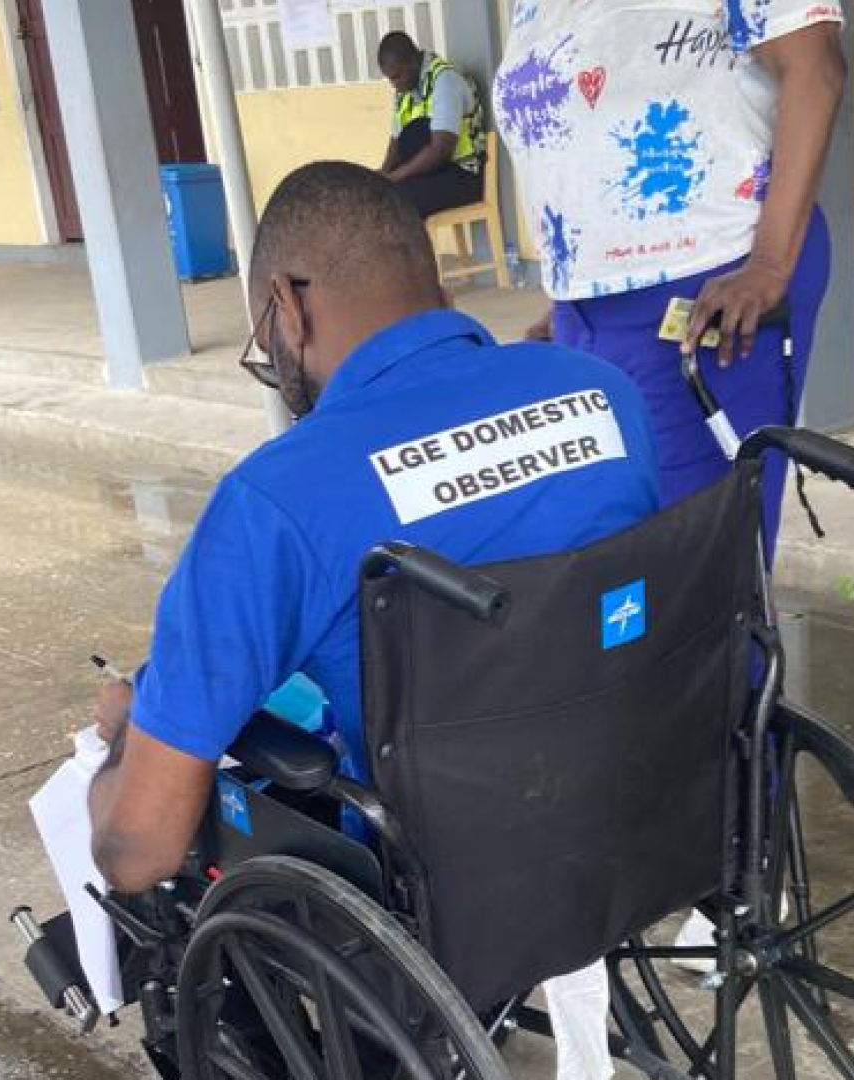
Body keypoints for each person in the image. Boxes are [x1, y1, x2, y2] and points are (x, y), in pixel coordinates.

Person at [88, 161, 659, 894]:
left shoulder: (276, 500)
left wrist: (130, 731)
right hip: (646, 802)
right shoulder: (601, 390)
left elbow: (137, 853)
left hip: (456, 879)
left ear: (286, 304)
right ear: (432, 282)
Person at [494, 1, 846, 565]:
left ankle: (739, 657)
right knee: (608, 551)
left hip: (713, 290)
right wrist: (577, 292)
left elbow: (817, 69)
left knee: (700, 559)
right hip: (589, 311)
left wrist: (771, 265)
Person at [377, 30, 487, 218]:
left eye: (396, 77)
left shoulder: (445, 81)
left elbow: (440, 151)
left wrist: (395, 177)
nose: (393, 84)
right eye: (389, 79)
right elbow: (396, 141)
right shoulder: (404, 91)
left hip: (463, 174)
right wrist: (381, 176)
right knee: (381, 196)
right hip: (432, 172)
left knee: (400, 204)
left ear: (413, 62)